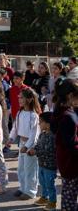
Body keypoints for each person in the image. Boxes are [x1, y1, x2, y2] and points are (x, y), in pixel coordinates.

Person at [8, 88, 41, 200]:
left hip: (30, 146)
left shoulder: (34, 115)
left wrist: (27, 146)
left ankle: (31, 191)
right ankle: (23, 188)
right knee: (21, 168)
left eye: (22, 97)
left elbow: (34, 134)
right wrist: (11, 139)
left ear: (30, 99)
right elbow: (15, 128)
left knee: (30, 169)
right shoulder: (20, 113)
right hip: (22, 144)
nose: (19, 99)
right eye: (19, 97)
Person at [51, 78, 78, 211]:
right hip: (72, 163)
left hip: (65, 162)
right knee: (70, 199)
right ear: (70, 96)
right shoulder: (68, 116)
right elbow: (72, 145)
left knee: (68, 196)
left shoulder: (60, 111)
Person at [31, 112, 57, 211]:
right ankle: (44, 197)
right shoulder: (42, 134)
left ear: (48, 123)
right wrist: (34, 149)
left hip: (50, 165)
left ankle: (52, 202)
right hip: (41, 163)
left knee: (49, 183)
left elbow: (49, 150)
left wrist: (36, 151)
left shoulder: (52, 136)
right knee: (42, 182)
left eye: (41, 122)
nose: (39, 124)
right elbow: (38, 145)